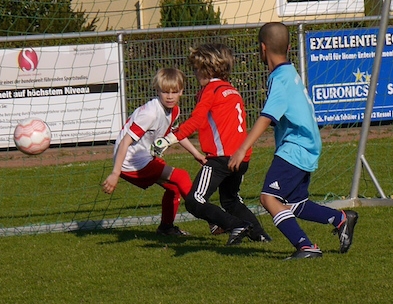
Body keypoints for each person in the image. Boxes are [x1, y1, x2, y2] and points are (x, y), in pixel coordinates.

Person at [229, 22, 358, 260]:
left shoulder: (280, 79)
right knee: (295, 203)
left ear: (262, 48)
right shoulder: (289, 73)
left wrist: (242, 148)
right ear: (289, 48)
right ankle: (340, 219)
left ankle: (306, 247)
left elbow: (267, 117)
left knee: (268, 198)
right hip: (307, 145)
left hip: (296, 146)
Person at [154, 43, 271, 246]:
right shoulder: (232, 90)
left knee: (195, 200)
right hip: (242, 157)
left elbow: (196, 120)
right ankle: (259, 235)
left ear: (206, 69)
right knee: (230, 200)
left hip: (221, 159)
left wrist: (169, 139)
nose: (195, 73)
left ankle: (236, 225)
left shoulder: (211, 90)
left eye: (196, 68)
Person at [102, 68, 207, 236]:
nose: (170, 96)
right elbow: (125, 142)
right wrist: (115, 173)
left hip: (142, 158)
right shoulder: (150, 113)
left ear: (181, 91)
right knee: (181, 177)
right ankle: (212, 219)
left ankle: (166, 227)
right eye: (165, 92)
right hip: (131, 161)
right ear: (157, 90)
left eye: (174, 92)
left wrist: (197, 155)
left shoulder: (174, 110)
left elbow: (176, 135)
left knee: (173, 188)